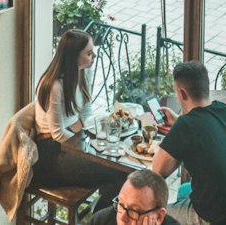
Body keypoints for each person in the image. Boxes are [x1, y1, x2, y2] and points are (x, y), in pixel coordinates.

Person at [151, 61, 226, 225]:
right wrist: (177, 120)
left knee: (153, 218)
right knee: (185, 189)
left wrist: (179, 125)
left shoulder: (186, 125)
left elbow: (157, 170)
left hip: (215, 218)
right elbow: (205, 128)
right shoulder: (224, 110)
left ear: (182, 93)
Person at [30, 30, 126, 204]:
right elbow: (58, 133)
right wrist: (86, 150)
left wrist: (89, 130)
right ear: (73, 56)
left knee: (120, 169)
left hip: (70, 143)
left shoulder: (82, 73)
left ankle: (102, 216)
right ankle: (101, 218)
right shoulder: (54, 86)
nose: (95, 56)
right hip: (51, 155)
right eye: (89, 53)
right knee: (118, 173)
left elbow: (87, 114)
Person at [87, 169, 169, 225]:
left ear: (159, 216)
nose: (122, 217)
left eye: (133, 210)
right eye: (121, 204)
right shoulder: (101, 220)